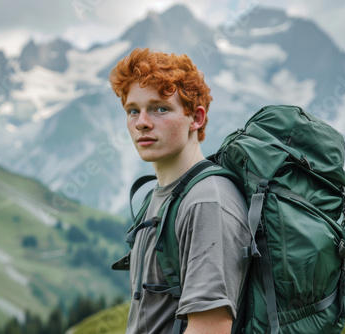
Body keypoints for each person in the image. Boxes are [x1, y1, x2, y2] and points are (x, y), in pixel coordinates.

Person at [109, 48, 252, 333]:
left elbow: (210, 328)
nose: (142, 122)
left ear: (196, 118)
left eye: (160, 108)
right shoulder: (161, 196)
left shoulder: (206, 202)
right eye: (133, 111)